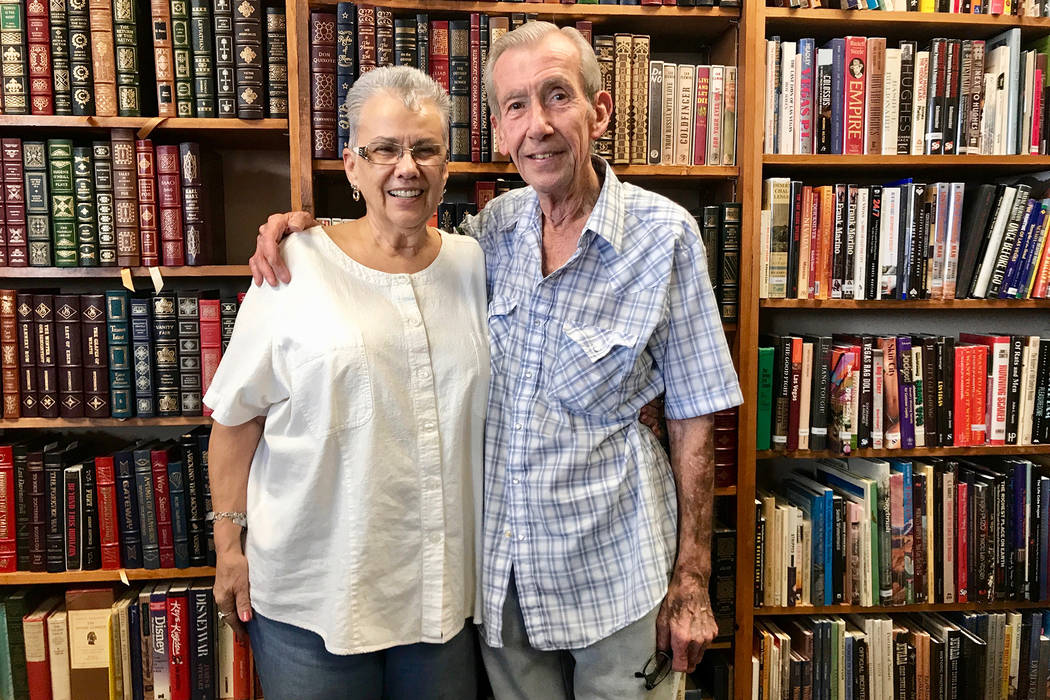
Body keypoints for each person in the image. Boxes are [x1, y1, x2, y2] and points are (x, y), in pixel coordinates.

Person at [250, 22, 742, 700]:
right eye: (516, 106)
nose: (537, 124)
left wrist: (691, 584)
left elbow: (695, 416)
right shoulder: (492, 233)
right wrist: (309, 232)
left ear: (598, 112)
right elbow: (397, 245)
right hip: (504, 586)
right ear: (500, 130)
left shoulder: (667, 239)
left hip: (620, 576)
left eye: (557, 96)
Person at [203, 65, 488, 700]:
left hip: (438, 598)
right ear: (351, 165)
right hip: (312, 595)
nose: (406, 167)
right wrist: (229, 546)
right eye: (384, 149)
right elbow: (236, 417)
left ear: (446, 166)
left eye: (425, 149)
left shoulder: (474, 265)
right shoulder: (293, 263)